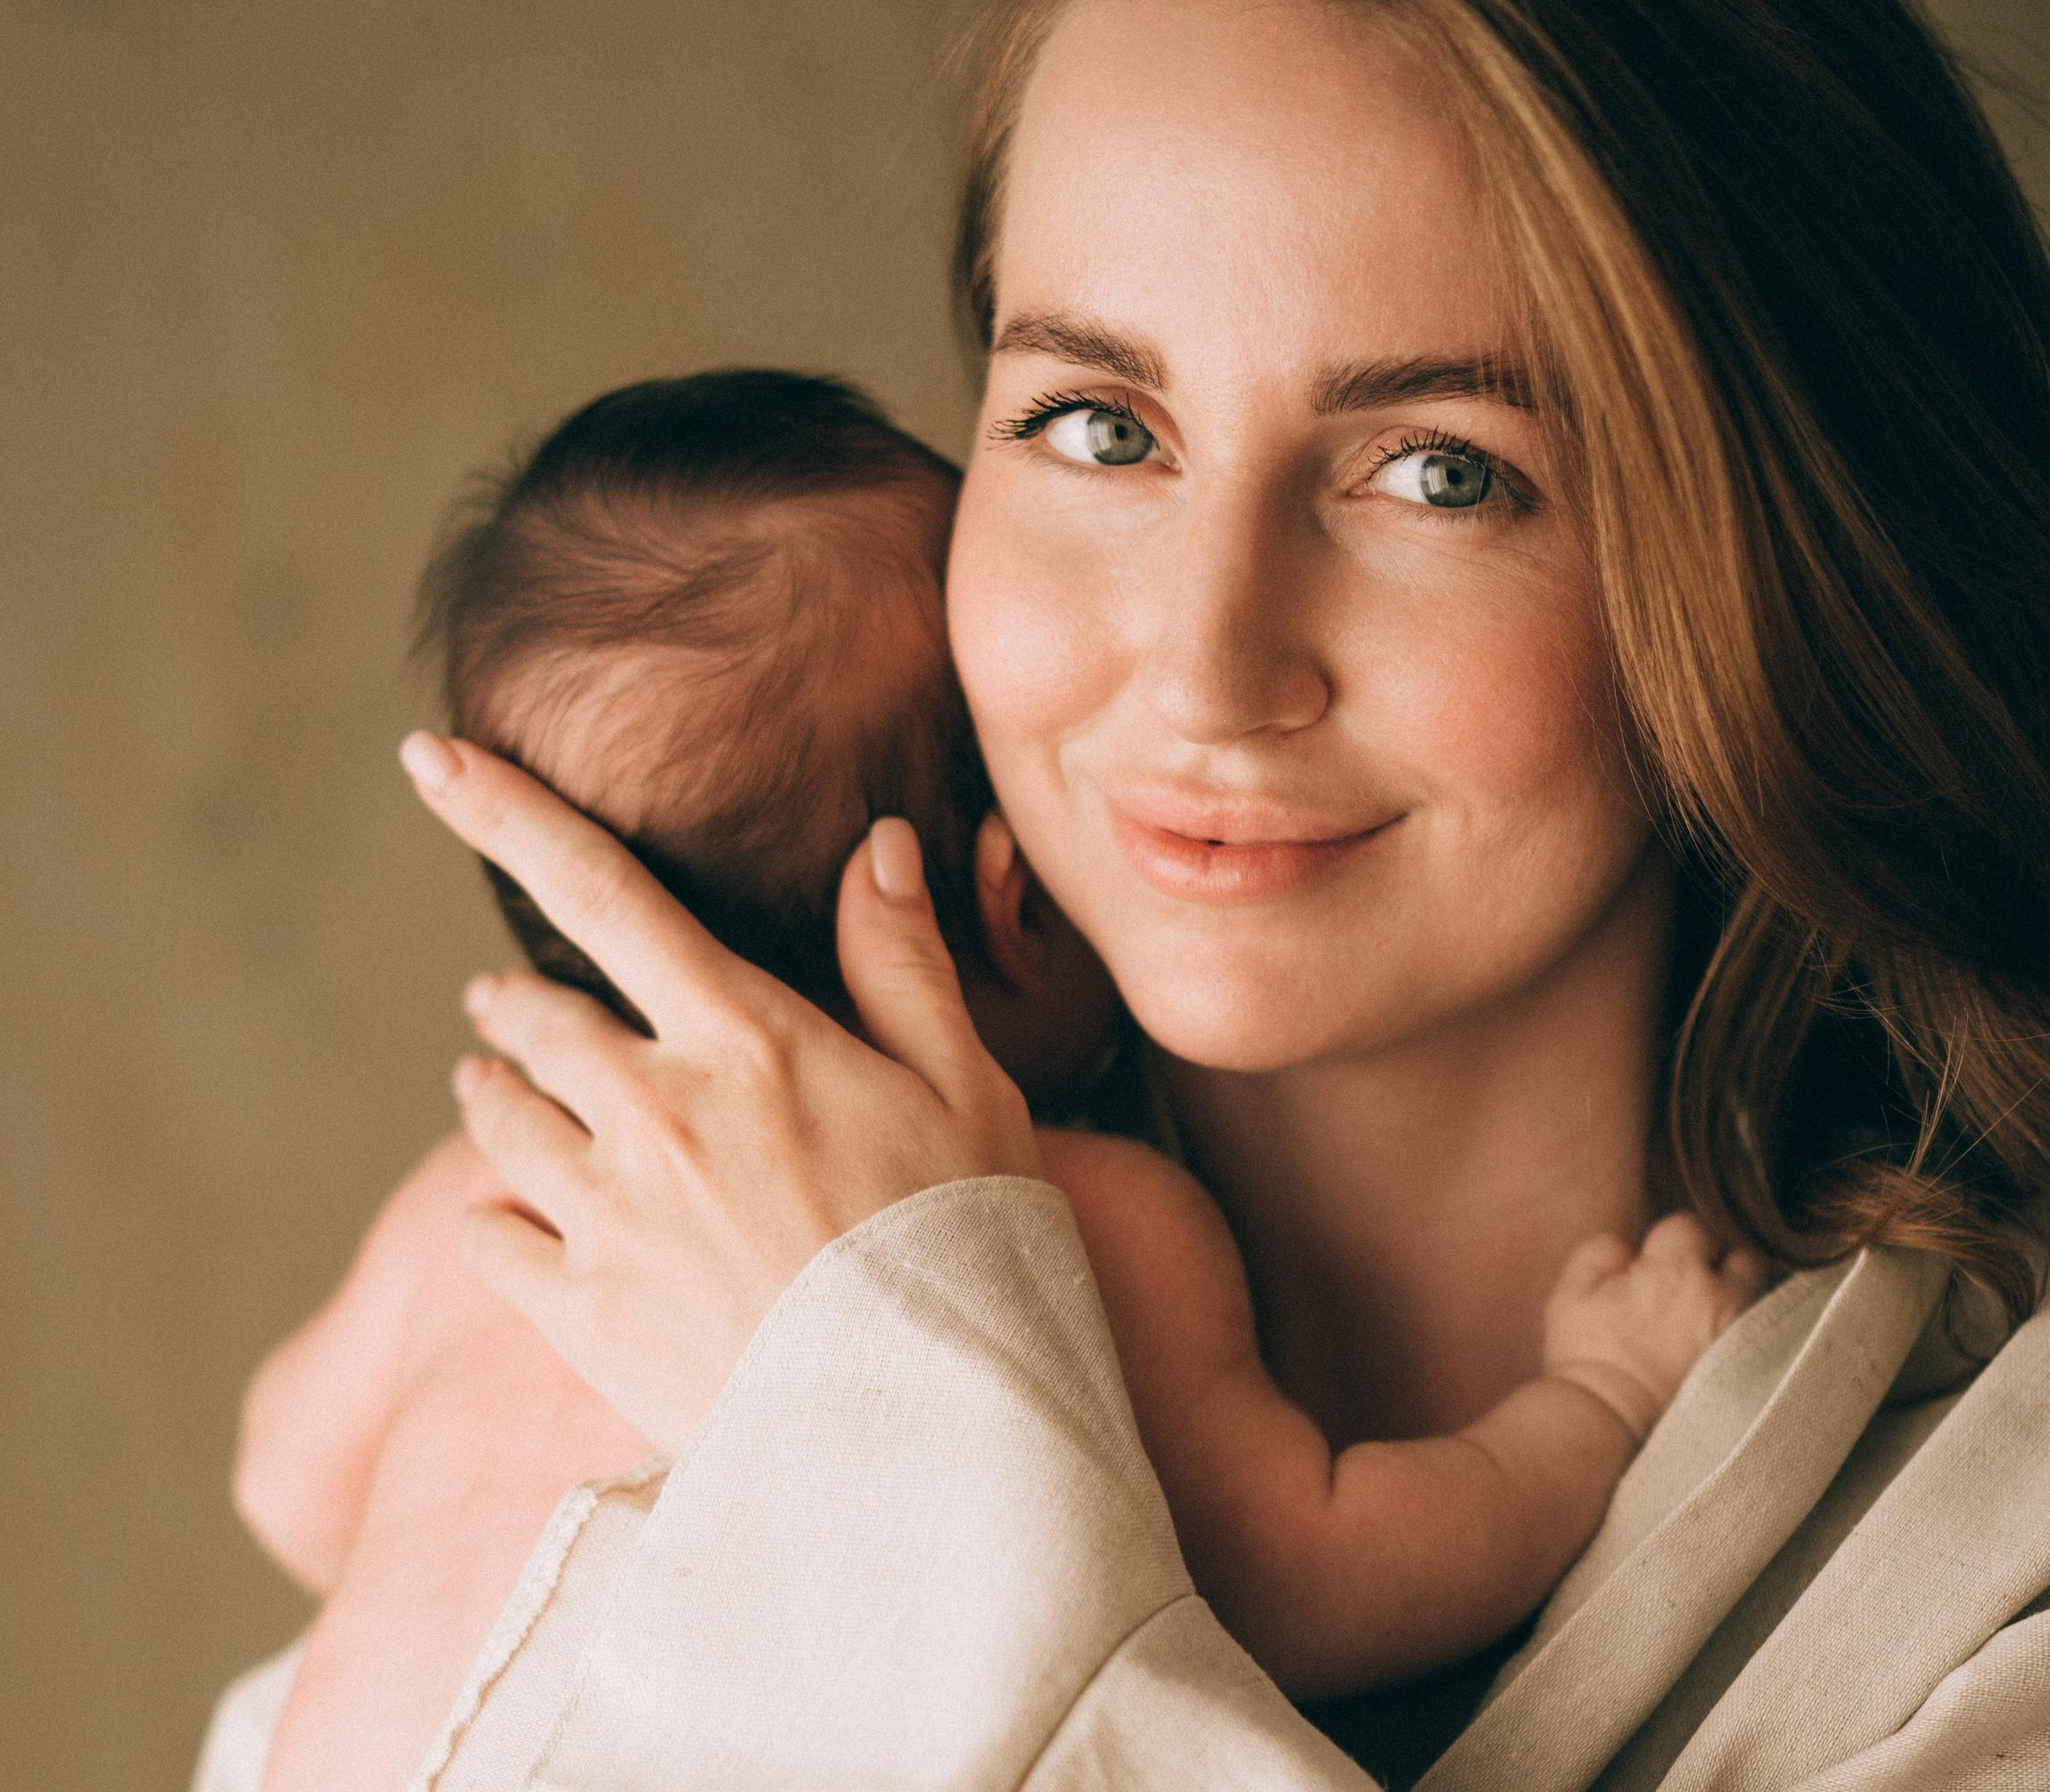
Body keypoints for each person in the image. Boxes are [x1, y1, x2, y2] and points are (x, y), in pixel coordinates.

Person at [196, 0, 2050, 1787]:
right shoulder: (615, 1262)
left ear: (1784, 550)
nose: (1199, 669)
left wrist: (869, 1436)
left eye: (1440, 469)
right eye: (1099, 426)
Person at [226, 366, 1759, 1792]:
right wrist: (1602, 1399)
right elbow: (1318, 1580)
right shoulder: (1059, 1225)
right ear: (1017, 901)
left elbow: (285, 1480)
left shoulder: (491, 1188)